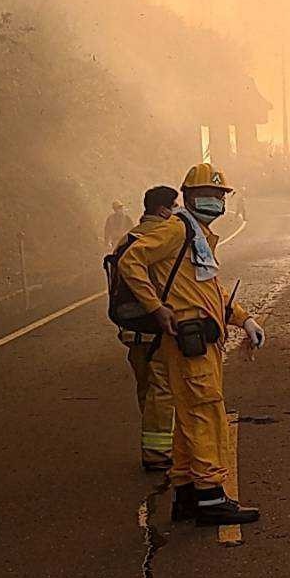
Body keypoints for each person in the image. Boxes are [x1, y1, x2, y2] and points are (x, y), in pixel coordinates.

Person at [117, 164, 265, 526]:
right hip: (188, 341)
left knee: (187, 419)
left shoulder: (198, 237)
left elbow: (209, 291)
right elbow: (130, 260)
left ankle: (186, 493)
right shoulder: (176, 230)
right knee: (206, 412)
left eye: (219, 196)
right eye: (206, 196)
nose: (214, 202)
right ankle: (211, 496)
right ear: (187, 197)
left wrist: (243, 318)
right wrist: (156, 308)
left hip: (199, 340)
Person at [114, 186, 178, 473]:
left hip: (131, 328)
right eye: (174, 208)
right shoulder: (158, 239)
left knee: (147, 388)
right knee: (163, 389)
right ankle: (159, 451)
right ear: (164, 210)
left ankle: (154, 443)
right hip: (157, 327)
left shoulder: (125, 240)